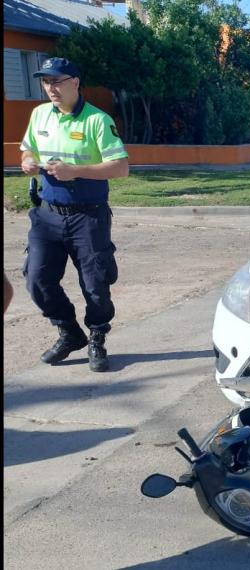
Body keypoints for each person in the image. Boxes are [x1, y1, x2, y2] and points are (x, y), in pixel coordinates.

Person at [20, 57, 129, 372]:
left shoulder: (97, 120)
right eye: (45, 82)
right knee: (37, 277)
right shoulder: (39, 114)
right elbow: (28, 149)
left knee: (95, 283)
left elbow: (121, 167)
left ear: (75, 83)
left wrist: (76, 171)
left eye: (56, 81)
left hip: (88, 216)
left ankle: (97, 337)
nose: (50, 88)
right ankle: (69, 332)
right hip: (47, 213)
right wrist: (28, 160)